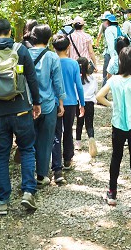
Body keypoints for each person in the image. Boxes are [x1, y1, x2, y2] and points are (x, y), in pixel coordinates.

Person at [0, 19, 42, 215]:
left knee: (1, 155)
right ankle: (28, 192)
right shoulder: (21, 50)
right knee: (27, 149)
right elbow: (31, 79)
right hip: (21, 109)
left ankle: (2, 201)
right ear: (10, 31)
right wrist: (36, 103)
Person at [96, 46, 131, 221]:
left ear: (121, 62)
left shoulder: (114, 80)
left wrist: (113, 106)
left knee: (116, 158)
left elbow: (99, 96)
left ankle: (112, 193)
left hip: (118, 125)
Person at [28, 24, 66, 187]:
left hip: (28, 105)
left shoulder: (25, 54)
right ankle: (41, 175)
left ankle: (28, 174)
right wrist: (61, 102)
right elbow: (58, 82)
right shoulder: (52, 57)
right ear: (49, 39)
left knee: (29, 140)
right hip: (49, 104)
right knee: (46, 140)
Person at [51, 33, 85, 175]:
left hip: (54, 102)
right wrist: (82, 103)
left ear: (54, 47)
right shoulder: (73, 64)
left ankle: (56, 162)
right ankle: (68, 159)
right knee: (68, 130)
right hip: (71, 102)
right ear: (68, 47)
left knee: (56, 132)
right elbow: (79, 85)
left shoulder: (52, 62)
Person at [75, 56, 98, 157]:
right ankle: (91, 138)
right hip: (90, 103)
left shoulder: (76, 79)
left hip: (79, 102)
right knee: (89, 124)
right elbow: (95, 90)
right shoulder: (92, 78)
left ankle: (78, 143)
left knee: (79, 123)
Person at [102, 13, 124, 79]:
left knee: (107, 75)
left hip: (111, 55)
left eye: (105, 20)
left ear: (108, 21)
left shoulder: (109, 30)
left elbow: (111, 45)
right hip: (120, 53)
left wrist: (113, 59)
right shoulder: (118, 28)